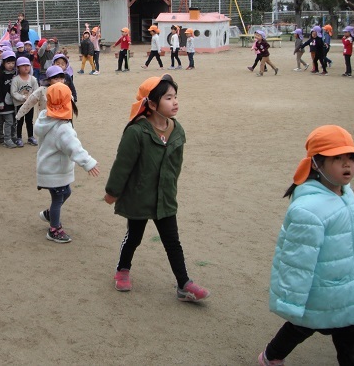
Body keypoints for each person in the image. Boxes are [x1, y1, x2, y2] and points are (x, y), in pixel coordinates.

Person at [104, 75, 210, 301]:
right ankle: (123, 269)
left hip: (165, 197)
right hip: (139, 195)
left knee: (172, 241)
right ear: (151, 104)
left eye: (175, 97)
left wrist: (170, 187)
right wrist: (113, 192)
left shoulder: (177, 130)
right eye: (168, 98)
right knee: (134, 236)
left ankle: (184, 284)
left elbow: (175, 165)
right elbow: (122, 165)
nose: (175, 102)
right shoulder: (136, 132)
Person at [258, 125, 354, 366]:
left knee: (349, 343)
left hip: (347, 289)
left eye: (351, 158)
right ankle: (270, 356)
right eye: (337, 158)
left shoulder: (346, 193)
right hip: (319, 291)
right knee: (300, 327)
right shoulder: (308, 211)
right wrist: (292, 302)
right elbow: (297, 261)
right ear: (316, 163)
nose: (347, 165)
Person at [35, 82, 100, 243]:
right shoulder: (62, 128)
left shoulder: (45, 118)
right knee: (58, 198)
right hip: (54, 172)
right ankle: (54, 229)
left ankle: (50, 214)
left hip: (49, 168)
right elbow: (74, 148)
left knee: (66, 192)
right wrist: (88, 163)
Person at [11, 57, 39, 146]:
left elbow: (37, 91)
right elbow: (13, 92)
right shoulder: (16, 79)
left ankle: (30, 137)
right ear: (18, 67)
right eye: (23, 66)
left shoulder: (33, 79)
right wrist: (23, 97)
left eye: (27, 65)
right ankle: (18, 137)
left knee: (29, 120)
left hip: (29, 104)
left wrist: (32, 98)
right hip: (19, 104)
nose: (26, 67)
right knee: (19, 121)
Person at [0, 51, 18, 148]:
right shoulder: (1, 75)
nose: (11, 65)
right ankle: (7, 139)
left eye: (13, 63)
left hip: (14, 102)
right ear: (3, 63)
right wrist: (0, 101)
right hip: (5, 103)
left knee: (14, 121)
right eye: (8, 63)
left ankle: (13, 137)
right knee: (9, 121)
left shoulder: (16, 74)